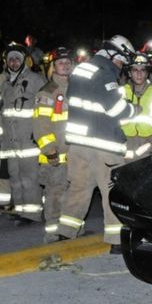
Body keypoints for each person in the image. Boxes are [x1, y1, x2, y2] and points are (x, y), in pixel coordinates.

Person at [56, 35, 139, 253]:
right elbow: (114, 108)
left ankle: (65, 232)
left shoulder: (81, 69)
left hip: (78, 144)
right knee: (112, 191)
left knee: (78, 188)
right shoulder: (105, 71)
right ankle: (116, 241)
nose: (121, 66)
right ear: (114, 54)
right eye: (122, 61)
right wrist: (134, 110)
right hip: (103, 145)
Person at [0, 42, 46, 225]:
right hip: (10, 142)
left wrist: (40, 135)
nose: (13, 62)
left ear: (23, 61)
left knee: (30, 179)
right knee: (16, 179)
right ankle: (20, 210)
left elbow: (44, 109)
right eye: (10, 59)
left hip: (29, 141)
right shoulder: (5, 83)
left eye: (17, 59)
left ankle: (32, 214)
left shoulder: (35, 80)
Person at [33, 47, 73, 242]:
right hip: (56, 158)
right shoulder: (47, 93)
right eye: (60, 63)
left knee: (74, 197)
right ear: (53, 67)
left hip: (77, 156)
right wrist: (50, 151)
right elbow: (40, 127)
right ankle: (53, 235)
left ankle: (70, 231)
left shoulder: (78, 89)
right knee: (55, 197)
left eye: (68, 62)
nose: (64, 66)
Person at [121, 53, 152, 161]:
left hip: (148, 151)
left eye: (143, 70)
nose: (139, 74)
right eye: (135, 70)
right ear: (129, 73)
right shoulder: (121, 92)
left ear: (147, 73)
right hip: (123, 150)